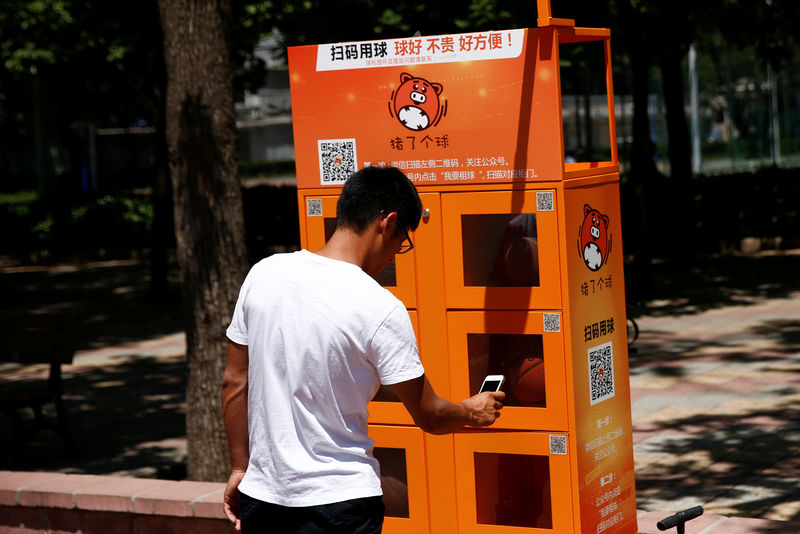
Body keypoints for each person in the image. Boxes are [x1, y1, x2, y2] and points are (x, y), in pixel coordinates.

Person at [221, 166, 505, 533]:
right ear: (388, 223)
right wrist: (471, 410)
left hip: (264, 499)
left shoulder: (264, 274)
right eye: (403, 242)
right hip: (340, 503)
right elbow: (430, 415)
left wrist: (241, 468)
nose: (395, 255)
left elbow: (233, 381)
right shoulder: (379, 306)